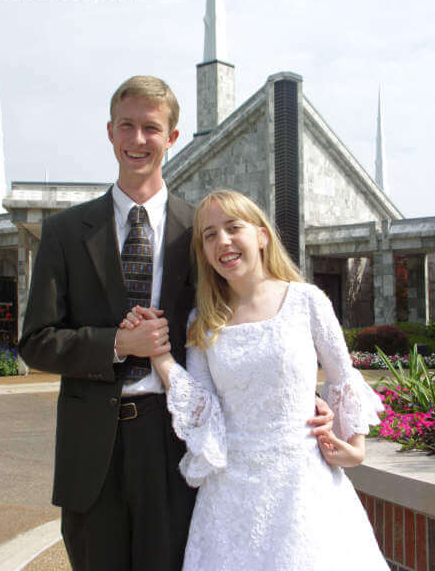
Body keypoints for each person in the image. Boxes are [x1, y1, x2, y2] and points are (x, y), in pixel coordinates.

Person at [18, 77, 334, 571]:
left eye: (151, 128)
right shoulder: (64, 232)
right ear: (109, 132)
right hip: (91, 453)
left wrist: (298, 395)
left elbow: (250, 319)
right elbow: (35, 341)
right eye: (127, 126)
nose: (138, 140)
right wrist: (118, 343)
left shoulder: (203, 233)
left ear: (172, 137)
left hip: (176, 445)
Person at [122, 189, 389, 571]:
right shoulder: (202, 321)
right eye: (209, 235)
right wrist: (160, 355)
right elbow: (203, 405)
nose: (223, 242)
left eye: (233, 228)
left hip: (304, 489)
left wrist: (355, 446)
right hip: (230, 497)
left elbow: (343, 376)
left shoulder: (307, 301)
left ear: (262, 236)